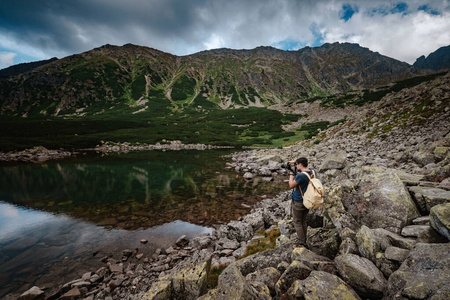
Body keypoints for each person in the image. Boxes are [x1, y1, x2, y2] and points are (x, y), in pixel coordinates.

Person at [287, 157, 316, 249]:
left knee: (297, 222)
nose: (296, 166)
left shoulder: (301, 176)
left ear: (300, 164)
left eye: (297, 164)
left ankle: (302, 243)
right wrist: (294, 162)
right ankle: (304, 240)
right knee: (303, 221)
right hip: (308, 200)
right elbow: (303, 163)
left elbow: (291, 185)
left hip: (299, 201)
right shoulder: (312, 171)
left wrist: (291, 173)